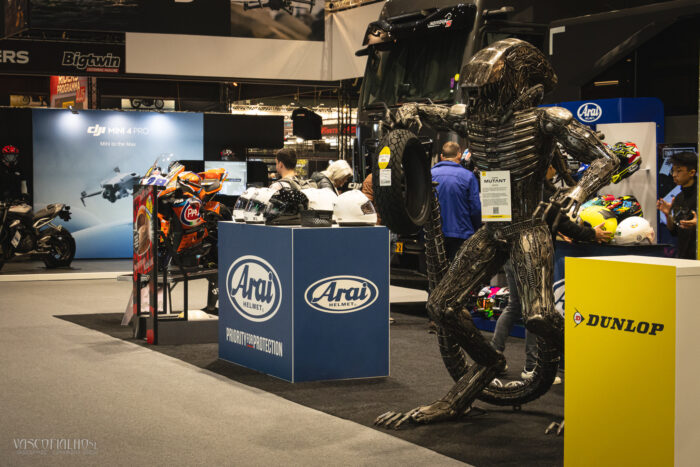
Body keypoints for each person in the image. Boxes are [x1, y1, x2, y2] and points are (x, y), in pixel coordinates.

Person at [491, 165, 612, 382]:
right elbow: (563, 223)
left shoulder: (516, 184)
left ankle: (492, 358)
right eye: (553, 165)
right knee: (534, 310)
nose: (556, 171)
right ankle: (532, 367)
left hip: (510, 251)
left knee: (515, 305)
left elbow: (546, 220)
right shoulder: (542, 190)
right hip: (532, 256)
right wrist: (591, 233)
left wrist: (554, 229)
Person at [431, 141, 481, 260]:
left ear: (441, 156)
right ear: (459, 155)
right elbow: (475, 209)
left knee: (436, 270)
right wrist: (476, 229)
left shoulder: (429, 175)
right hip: (461, 234)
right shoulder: (468, 176)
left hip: (434, 234)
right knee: (458, 270)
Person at [657, 151, 697, 259]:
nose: (674, 175)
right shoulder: (679, 198)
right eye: (673, 170)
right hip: (684, 257)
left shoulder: (697, 195)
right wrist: (668, 215)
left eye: (679, 171)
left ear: (692, 172)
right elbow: (674, 231)